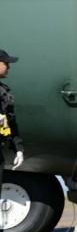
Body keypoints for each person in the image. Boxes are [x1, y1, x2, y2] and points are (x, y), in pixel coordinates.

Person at [0, 49, 24, 180]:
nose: (9, 66)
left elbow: (10, 122)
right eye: (6, 63)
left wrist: (19, 149)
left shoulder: (3, 92)